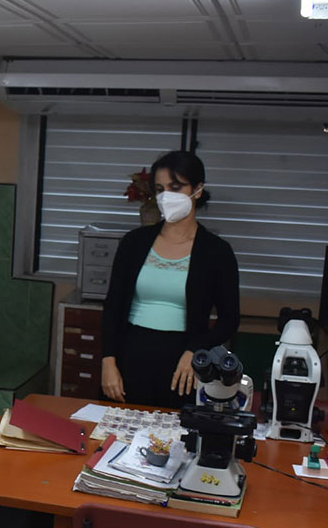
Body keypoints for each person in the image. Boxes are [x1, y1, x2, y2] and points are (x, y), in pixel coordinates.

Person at [101, 150, 240, 409]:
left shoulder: (217, 252)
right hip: (131, 354)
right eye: (160, 188)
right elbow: (113, 305)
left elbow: (229, 319)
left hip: (182, 364)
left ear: (198, 189)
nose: (166, 196)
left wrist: (196, 350)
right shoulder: (134, 242)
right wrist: (108, 360)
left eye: (175, 187)